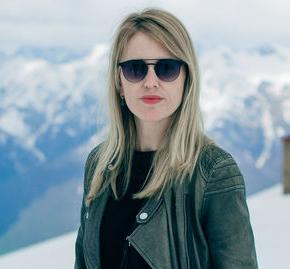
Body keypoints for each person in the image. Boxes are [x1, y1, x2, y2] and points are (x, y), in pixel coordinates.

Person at [75, 7, 258, 269]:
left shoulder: (213, 172)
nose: (151, 82)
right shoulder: (99, 165)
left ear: (186, 79)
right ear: (119, 82)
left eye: (167, 68)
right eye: (136, 69)